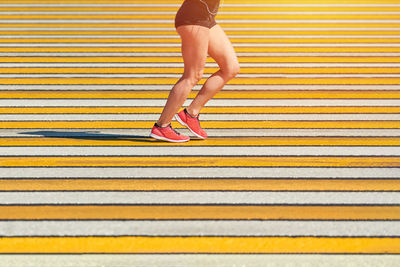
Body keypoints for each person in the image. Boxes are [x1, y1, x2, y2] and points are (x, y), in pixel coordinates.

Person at [150, 0, 240, 142]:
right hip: (193, 18)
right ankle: (162, 126)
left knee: (231, 68)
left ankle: (191, 113)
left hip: (206, 18)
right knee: (193, 75)